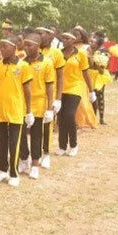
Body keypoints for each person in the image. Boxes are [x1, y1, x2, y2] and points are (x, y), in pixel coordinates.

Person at [0, 34, 33, 187]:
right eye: (0, 46)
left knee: (14, 143)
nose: (2, 50)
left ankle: (14, 173)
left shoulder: (23, 66)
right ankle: (2, 170)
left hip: (16, 110)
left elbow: (27, 90)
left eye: (5, 47)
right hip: (0, 110)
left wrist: (29, 111)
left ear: (14, 48)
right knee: (1, 142)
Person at [17, 33, 55, 180]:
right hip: (22, 103)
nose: (26, 48)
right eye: (25, 44)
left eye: (29, 45)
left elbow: (50, 86)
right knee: (20, 133)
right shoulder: (21, 62)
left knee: (36, 135)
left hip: (39, 103)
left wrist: (50, 108)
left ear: (37, 46)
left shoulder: (46, 63)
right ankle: (23, 158)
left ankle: (34, 164)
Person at [56, 32, 96, 156]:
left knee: (69, 114)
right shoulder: (58, 54)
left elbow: (86, 73)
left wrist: (91, 91)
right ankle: (62, 146)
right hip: (61, 88)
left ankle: (73, 144)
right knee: (61, 117)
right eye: (62, 38)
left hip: (75, 87)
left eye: (67, 38)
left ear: (73, 40)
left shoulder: (81, 54)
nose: (64, 40)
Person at [36, 25, 65, 169]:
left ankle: (46, 153)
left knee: (47, 125)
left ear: (49, 36)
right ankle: (33, 155)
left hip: (48, 94)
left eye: (41, 33)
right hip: (33, 95)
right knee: (34, 127)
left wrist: (58, 98)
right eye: (37, 33)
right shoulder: (33, 50)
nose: (39, 36)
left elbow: (60, 77)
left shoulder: (56, 53)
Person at [73, 26, 97, 129]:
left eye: (77, 34)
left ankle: (84, 121)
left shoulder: (86, 47)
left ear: (82, 36)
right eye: (73, 34)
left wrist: (87, 58)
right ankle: (75, 121)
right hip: (72, 75)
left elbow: (91, 63)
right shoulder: (70, 46)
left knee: (82, 100)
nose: (75, 36)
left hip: (83, 75)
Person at [89, 33, 112, 125]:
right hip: (89, 75)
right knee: (90, 97)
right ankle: (92, 117)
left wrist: (95, 63)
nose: (91, 43)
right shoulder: (88, 50)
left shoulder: (103, 53)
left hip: (98, 77)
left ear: (98, 44)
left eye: (93, 41)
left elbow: (103, 69)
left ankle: (101, 118)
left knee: (99, 96)